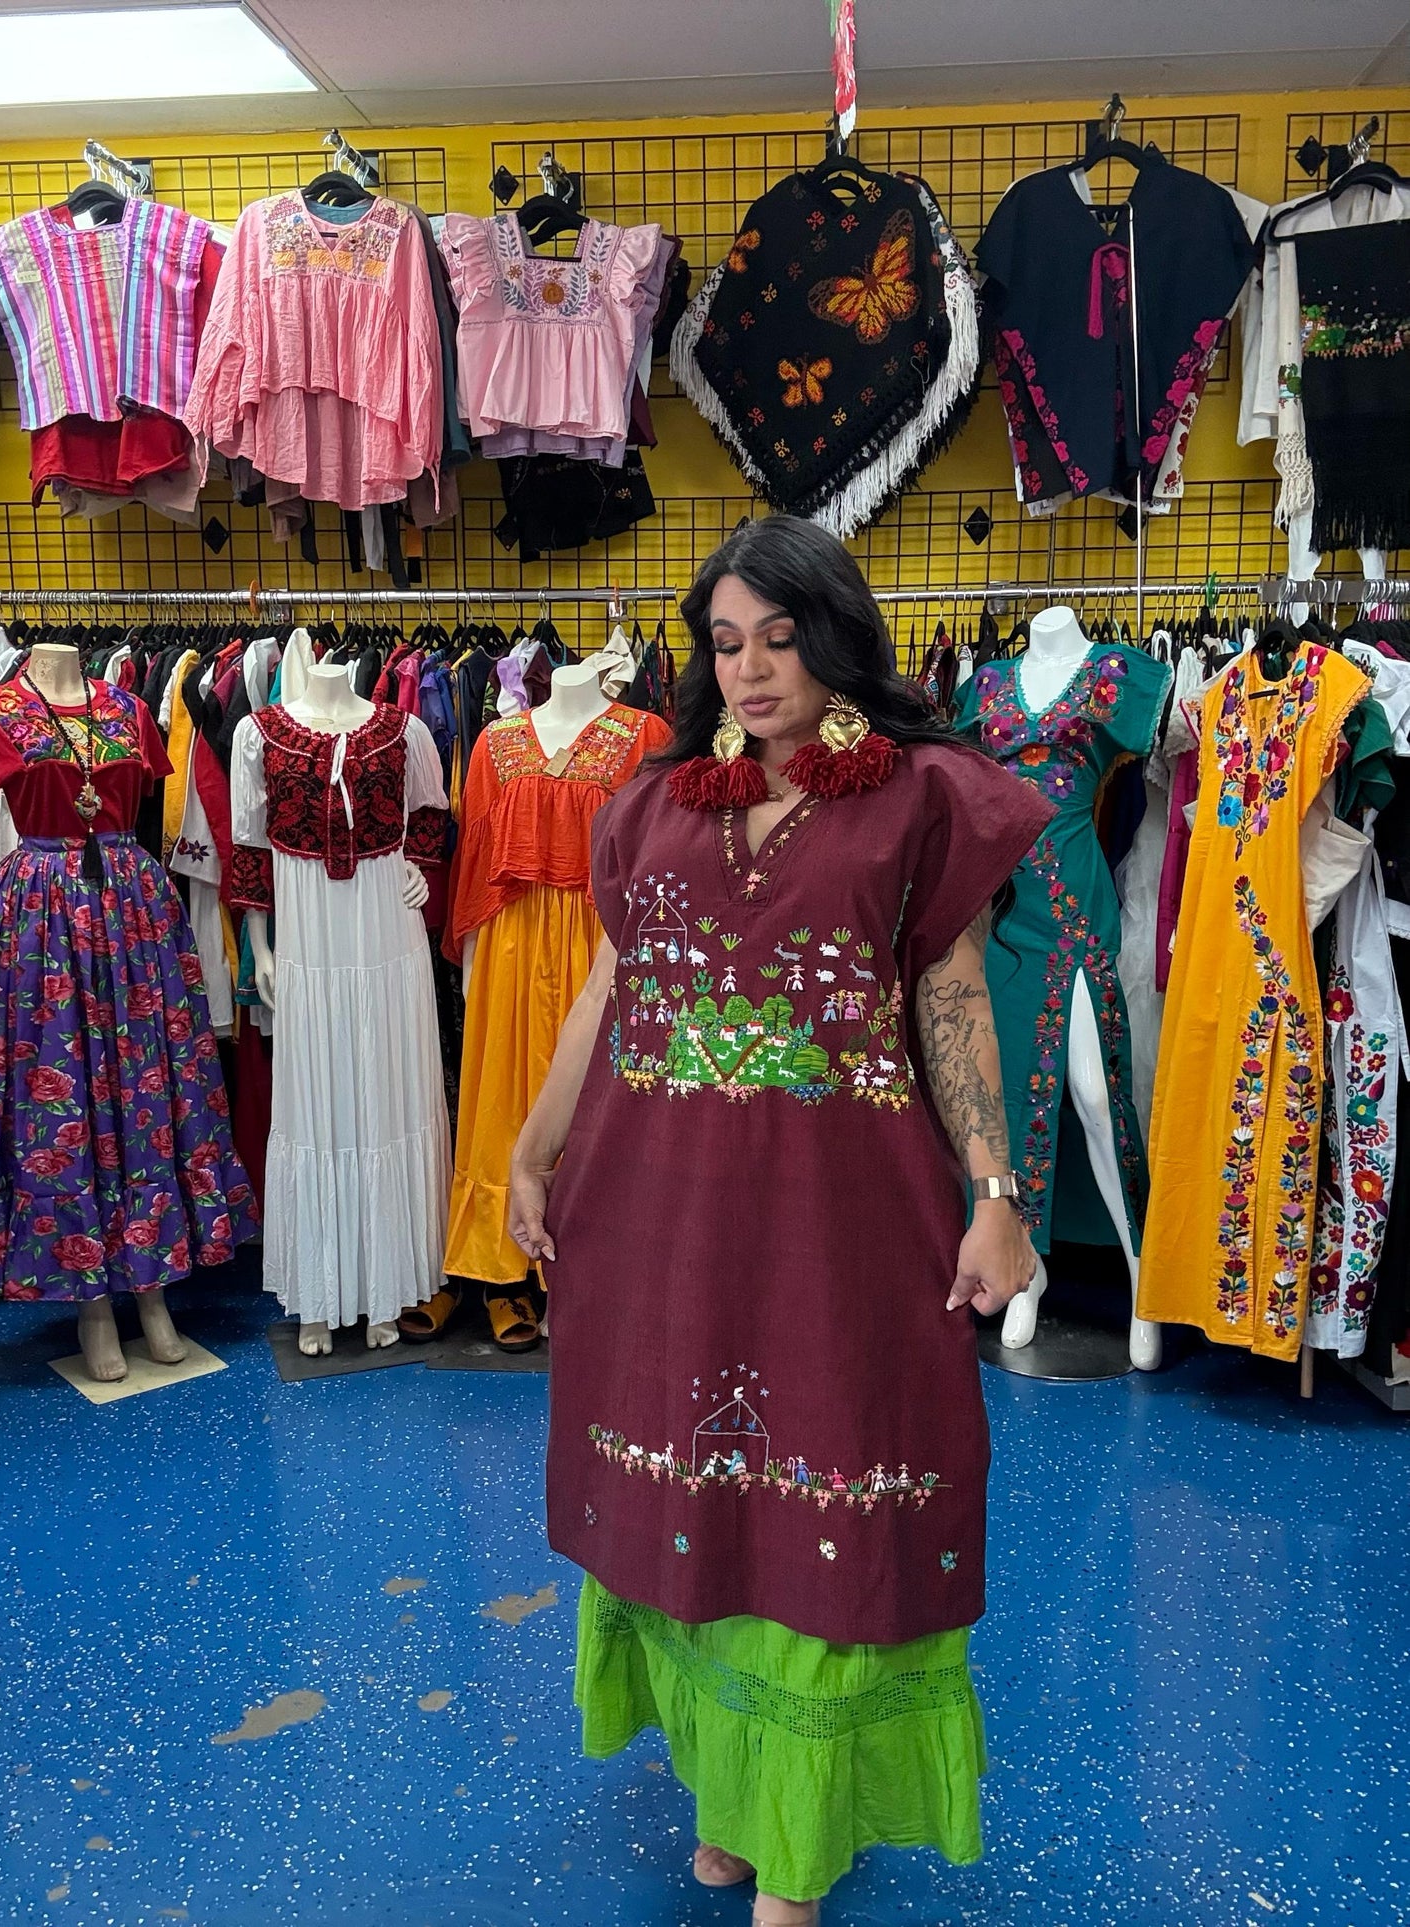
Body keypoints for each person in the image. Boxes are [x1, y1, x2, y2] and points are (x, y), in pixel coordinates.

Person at [509, 516, 1050, 1925]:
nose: (749, 670)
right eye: (724, 643)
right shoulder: (653, 802)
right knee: (686, 1497)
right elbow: (607, 991)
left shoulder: (924, 795)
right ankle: (730, 1800)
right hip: (653, 1214)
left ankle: (795, 1843)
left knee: (832, 1471)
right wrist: (532, 1144)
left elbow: (945, 1006)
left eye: (779, 636)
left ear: (834, 631)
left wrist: (995, 1198)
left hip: (839, 1227)